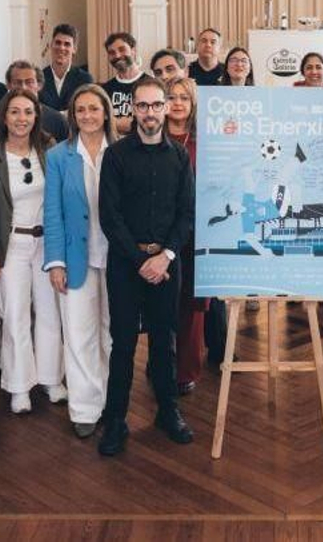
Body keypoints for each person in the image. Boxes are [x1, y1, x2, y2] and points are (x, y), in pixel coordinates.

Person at [96, 76, 197, 455]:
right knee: (122, 343)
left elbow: (186, 214)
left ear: (166, 108)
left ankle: (168, 411)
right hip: (127, 264)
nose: (151, 112)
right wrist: (142, 261)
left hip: (167, 264)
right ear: (133, 109)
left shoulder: (179, 156)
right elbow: (110, 216)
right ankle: (117, 419)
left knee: (164, 340)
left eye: (157, 105)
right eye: (143, 106)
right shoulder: (117, 156)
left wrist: (165, 256)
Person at [0, 89, 64, 415]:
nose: (21, 119)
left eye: (28, 112)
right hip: (10, 246)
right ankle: (19, 386)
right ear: (4, 116)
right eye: (15, 112)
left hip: (46, 245)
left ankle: (51, 378)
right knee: (14, 316)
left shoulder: (49, 151)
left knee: (50, 313)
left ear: (36, 116)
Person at [42, 84, 117, 438]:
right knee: (78, 333)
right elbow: (53, 213)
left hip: (117, 258)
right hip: (75, 258)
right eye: (80, 110)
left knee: (112, 334)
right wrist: (55, 261)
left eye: (94, 109)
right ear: (72, 116)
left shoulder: (120, 151)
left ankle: (111, 402)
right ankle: (85, 407)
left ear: (106, 112)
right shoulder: (58, 156)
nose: (87, 115)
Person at [162, 76, 210, 393]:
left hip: (198, 234)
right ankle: (161, 365)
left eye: (184, 97)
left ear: (193, 104)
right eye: (172, 97)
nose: (178, 102)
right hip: (160, 234)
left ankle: (186, 372)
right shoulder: (152, 137)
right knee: (161, 304)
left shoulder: (205, 141)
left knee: (192, 306)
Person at [0, 60, 68, 146]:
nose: (23, 87)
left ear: (39, 85)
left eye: (29, 82)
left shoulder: (58, 121)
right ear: (8, 86)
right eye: (17, 83)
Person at [100, 32, 146, 137]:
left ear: (133, 51)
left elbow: (148, 122)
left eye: (122, 49)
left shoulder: (150, 84)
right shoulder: (105, 90)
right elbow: (99, 122)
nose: (117, 55)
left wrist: (112, 122)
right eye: (112, 52)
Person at [40, 24, 94, 113]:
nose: (61, 48)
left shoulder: (85, 79)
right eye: (58, 43)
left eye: (67, 44)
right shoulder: (39, 78)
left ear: (74, 49)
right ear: (51, 45)